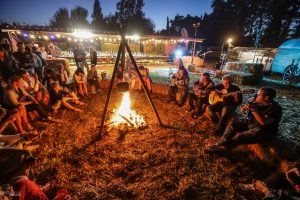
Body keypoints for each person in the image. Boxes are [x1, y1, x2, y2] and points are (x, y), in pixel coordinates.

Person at [205, 87, 282, 153]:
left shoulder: (275, 109)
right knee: (232, 125)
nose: (256, 96)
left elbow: (263, 122)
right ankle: (220, 144)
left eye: (258, 95)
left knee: (239, 137)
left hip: (264, 131)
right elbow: (242, 110)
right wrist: (244, 108)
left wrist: (253, 109)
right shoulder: (257, 101)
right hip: (251, 125)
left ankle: (222, 148)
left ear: (266, 98)